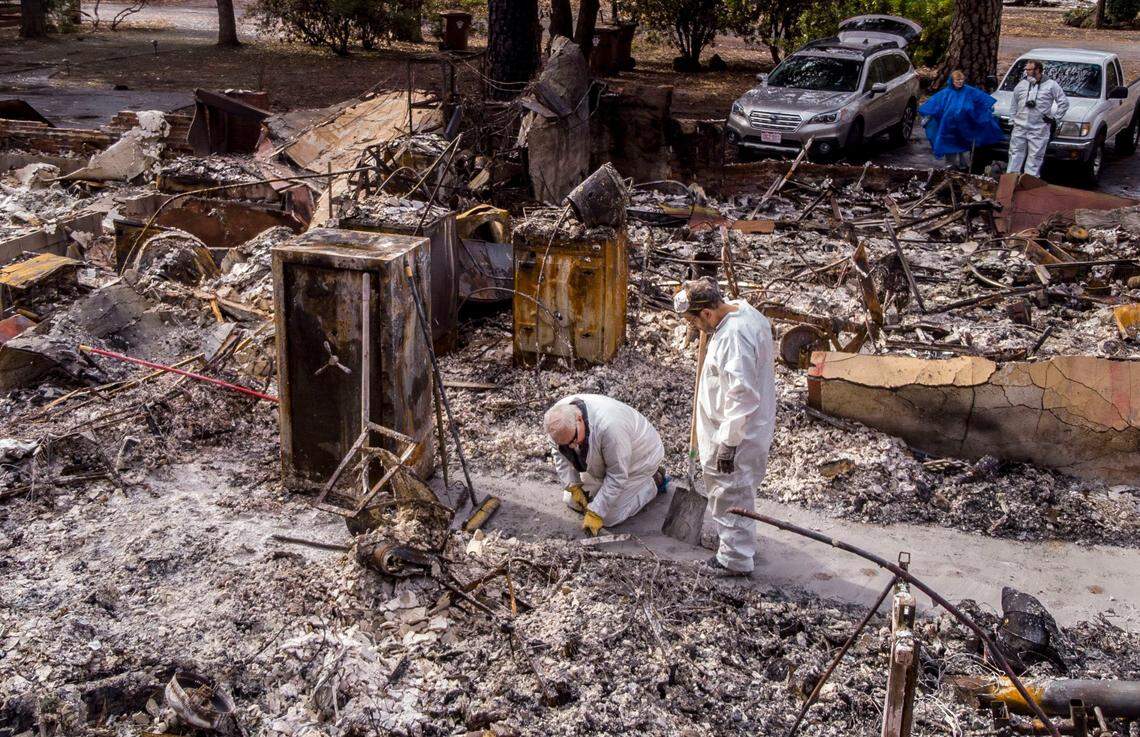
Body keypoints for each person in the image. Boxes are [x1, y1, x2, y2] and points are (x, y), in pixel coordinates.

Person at [673, 278, 775, 576]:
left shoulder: (734, 337)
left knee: (730, 492)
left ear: (706, 313)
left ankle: (735, 559)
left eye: (694, 321)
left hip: (736, 433)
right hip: (742, 427)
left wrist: (728, 443)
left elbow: (741, 394)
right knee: (735, 492)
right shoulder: (743, 311)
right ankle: (738, 545)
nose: (695, 329)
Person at [544, 395, 667, 536]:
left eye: (573, 440)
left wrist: (596, 512)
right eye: (566, 445)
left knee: (609, 518)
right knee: (570, 499)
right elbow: (558, 454)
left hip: (640, 459)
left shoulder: (610, 428)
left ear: (579, 419)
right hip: (609, 457)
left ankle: (654, 482)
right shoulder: (556, 422)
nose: (571, 447)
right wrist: (573, 485)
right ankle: (601, 490)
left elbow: (617, 475)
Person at [919, 69, 1004, 171]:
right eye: (957, 80)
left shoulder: (969, 91)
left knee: (964, 151)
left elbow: (982, 101)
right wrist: (927, 117)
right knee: (950, 150)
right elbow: (934, 105)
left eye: (962, 80)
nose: (960, 82)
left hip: (965, 128)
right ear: (952, 81)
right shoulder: (945, 93)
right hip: (949, 129)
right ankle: (951, 171)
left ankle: (964, 170)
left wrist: (986, 110)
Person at [1007, 59, 1069, 177]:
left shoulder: (1051, 85)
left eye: (1030, 70)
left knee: (1035, 157)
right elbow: (1014, 105)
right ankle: (1011, 180)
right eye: (1026, 70)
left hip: (1039, 128)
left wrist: (1055, 119)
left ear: (1038, 70)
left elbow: (1064, 102)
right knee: (1015, 154)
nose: (1027, 72)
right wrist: (1011, 122)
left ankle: (1029, 183)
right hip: (1020, 127)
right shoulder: (1021, 85)